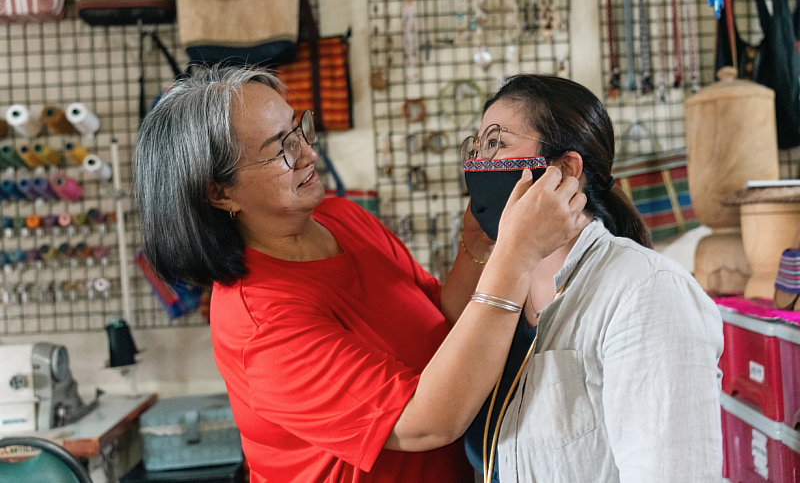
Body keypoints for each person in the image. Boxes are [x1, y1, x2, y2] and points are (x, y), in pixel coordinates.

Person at [133, 66, 589, 483]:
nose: (309, 153)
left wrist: (480, 244)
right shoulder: (260, 323)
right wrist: (515, 256)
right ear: (219, 192)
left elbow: (443, 325)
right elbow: (425, 422)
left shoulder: (339, 218)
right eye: (282, 151)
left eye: (299, 129)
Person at [460, 74, 723, 483]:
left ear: (565, 168)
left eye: (498, 144)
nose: (480, 164)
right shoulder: (503, 298)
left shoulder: (646, 292)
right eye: (478, 147)